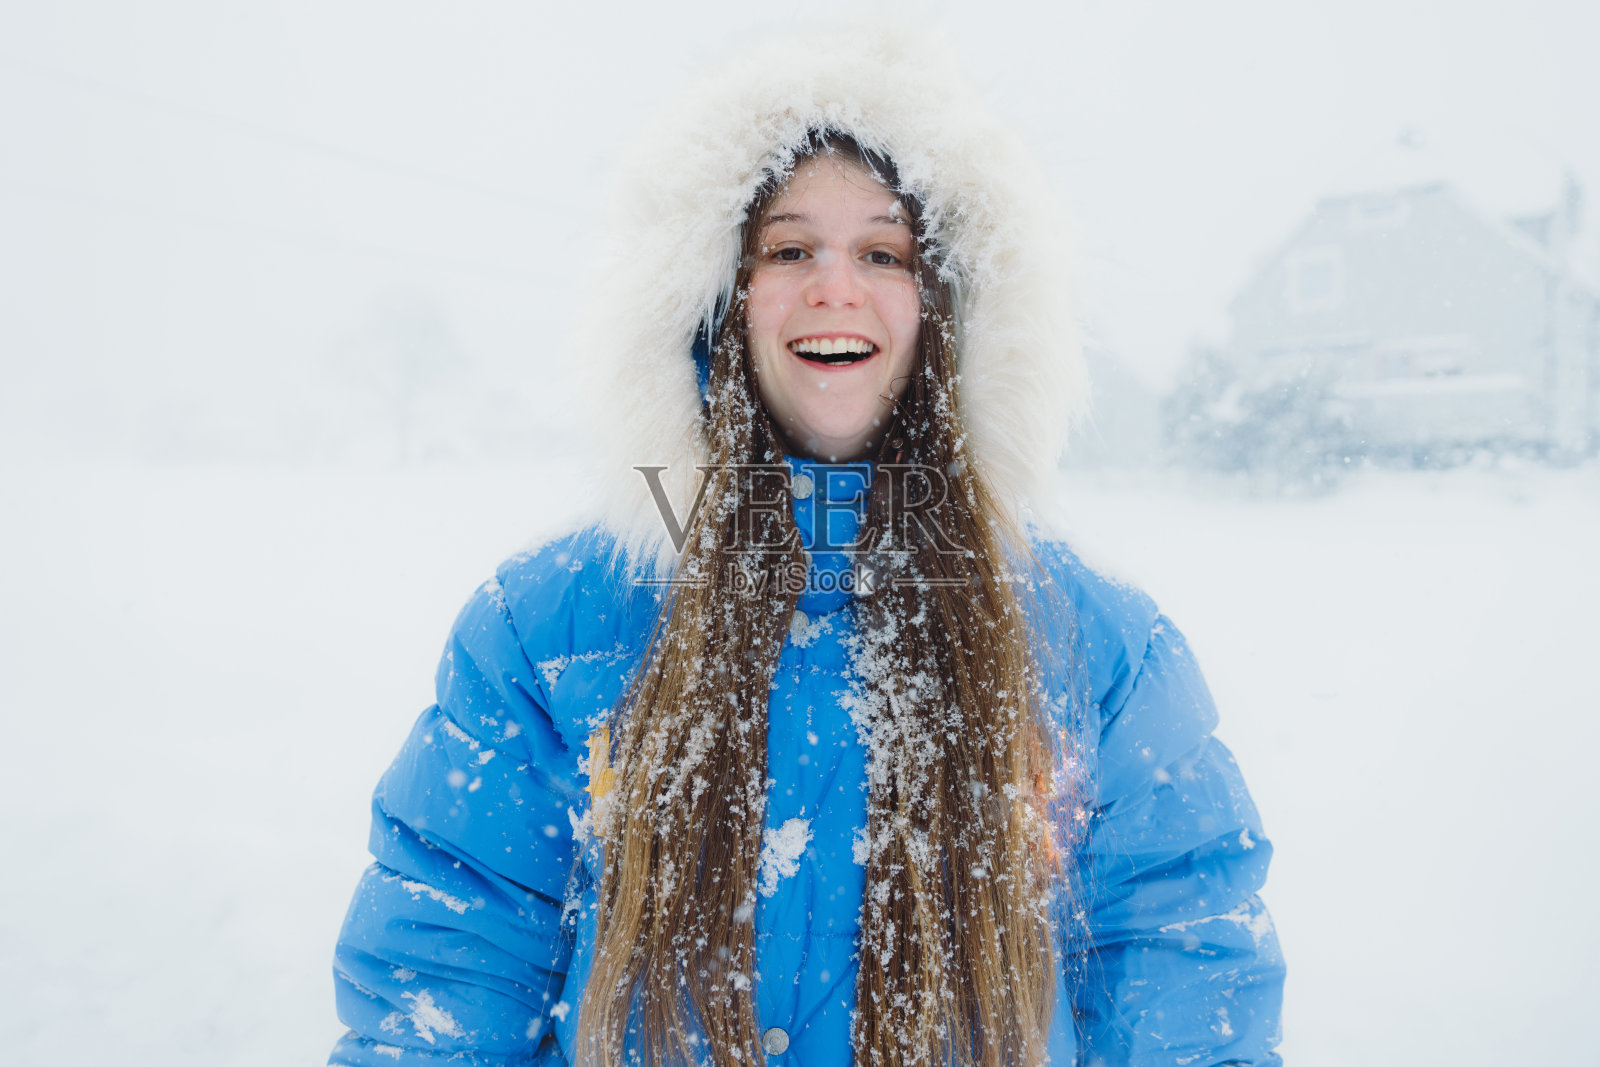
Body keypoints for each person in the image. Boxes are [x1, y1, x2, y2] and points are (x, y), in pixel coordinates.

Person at [328, 29, 1285, 1067]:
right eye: (788, 250)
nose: (836, 286)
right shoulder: (549, 625)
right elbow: (448, 974)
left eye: (884, 253)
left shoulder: (1096, 643)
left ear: (946, 309)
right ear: (715, 303)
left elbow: (1183, 970)